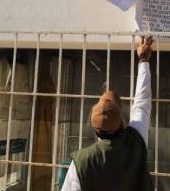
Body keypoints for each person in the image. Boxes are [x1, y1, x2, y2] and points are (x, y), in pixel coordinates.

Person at [61, 36, 154, 191]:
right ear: (121, 121)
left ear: (94, 128)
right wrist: (143, 59)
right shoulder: (136, 140)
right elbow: (142, 103)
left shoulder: (81, 163)